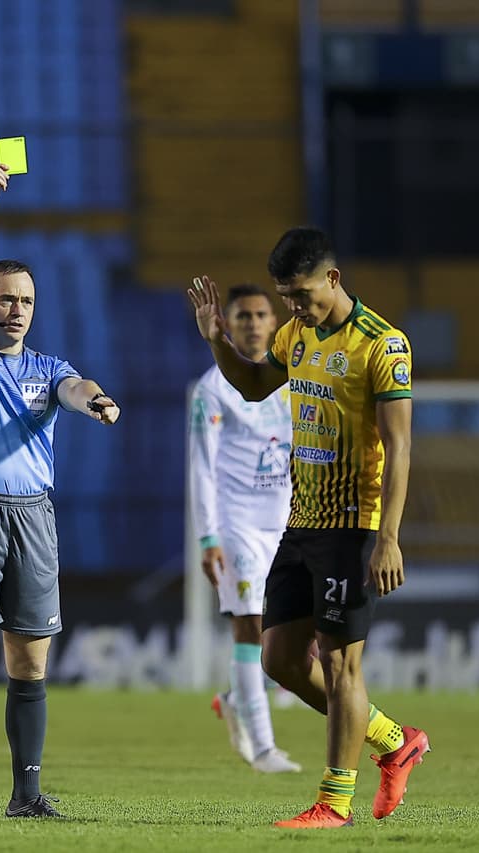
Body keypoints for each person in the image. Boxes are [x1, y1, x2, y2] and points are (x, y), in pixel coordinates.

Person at [187, 227, 430, 829]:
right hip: (299, 523)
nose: (292, 308)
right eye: (285, 296)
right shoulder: (297, 336)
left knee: (345, 666)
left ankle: (334, 803)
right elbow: (249, 386)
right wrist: (218, 341)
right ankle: (395, 740)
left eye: (300, 294)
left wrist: (389, 537)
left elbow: (400, 448)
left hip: (351, 527)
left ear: (334, 279)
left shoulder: (383, 345)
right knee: (280, 661)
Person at [0, 164, 121, 820]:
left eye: (26, 301)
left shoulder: (47, 369)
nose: (16, 311)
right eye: (5, 299)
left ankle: (26, 793)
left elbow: (72, 386)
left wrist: (93, 399)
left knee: (29, 662)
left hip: (32, 516)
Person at [189, 283, 301, 774]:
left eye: (261, 314)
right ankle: (261, 749)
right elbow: (201, 465)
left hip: (289, 520)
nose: (254, 323)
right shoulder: (212, 388)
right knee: (251, 625)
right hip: (237, 523)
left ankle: (238, 698)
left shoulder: (293, 382)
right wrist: (208, 535)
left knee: (294, 628)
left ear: (274, 322)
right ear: (226, 326)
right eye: (243, 316)